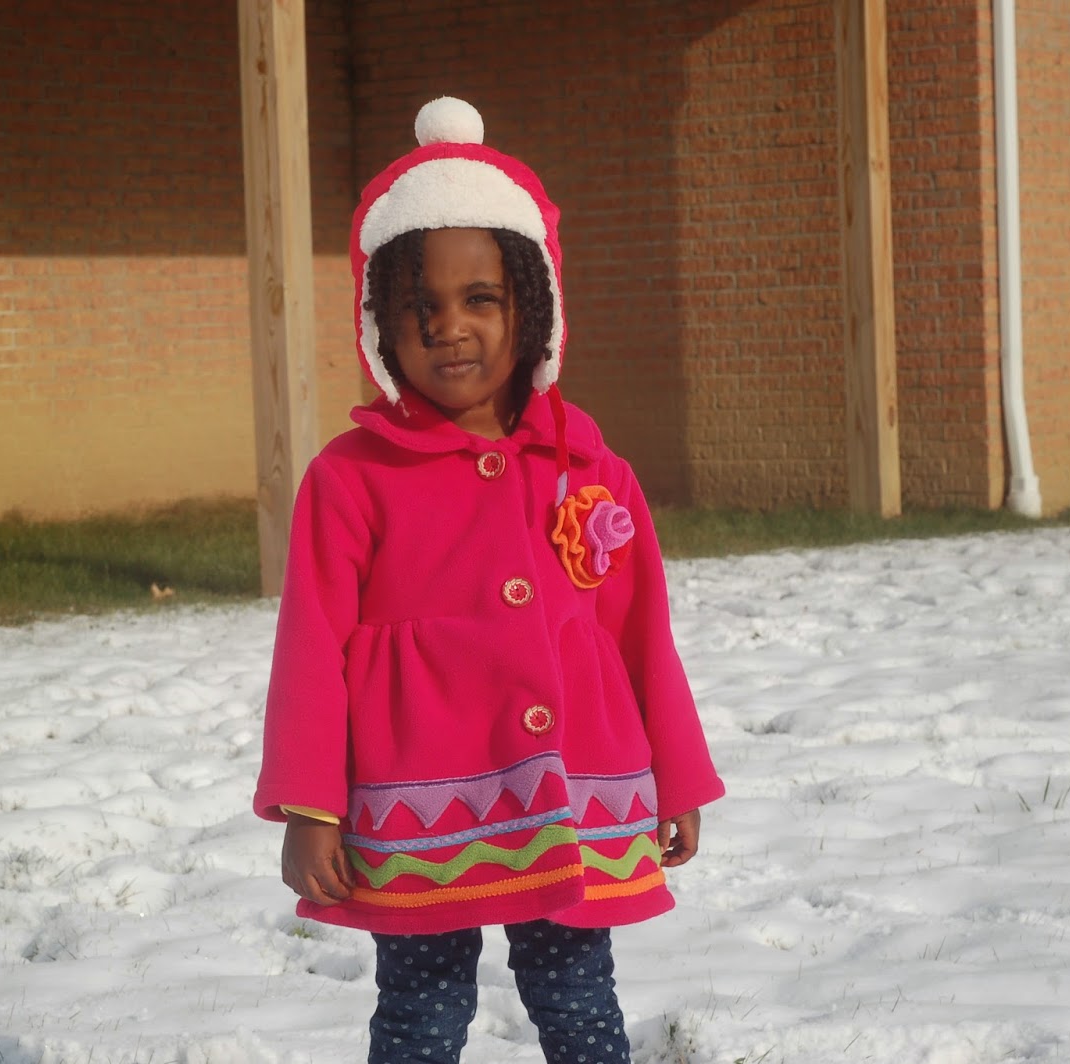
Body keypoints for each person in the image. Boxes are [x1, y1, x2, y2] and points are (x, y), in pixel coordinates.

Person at [254, 96, 725, 1064]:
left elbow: (642, 635)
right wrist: (309, 804)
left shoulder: (592, 472)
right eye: (419, 306)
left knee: (578, 997)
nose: (449, 328)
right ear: (378, 323)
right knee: (420, 1014)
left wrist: (677, 773)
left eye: (480, 299)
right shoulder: (349, 479)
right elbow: (310, 649)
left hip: (575, 791)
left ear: (533, 306)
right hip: (419, 805)